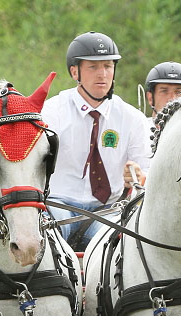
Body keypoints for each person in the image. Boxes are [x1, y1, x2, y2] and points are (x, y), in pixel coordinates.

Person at [41, 32, 151, 249]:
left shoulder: (133, 118)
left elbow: (147, 171)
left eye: (108, 66)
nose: (102, 74)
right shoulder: (51, 111)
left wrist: (139, 175)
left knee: (120, 249)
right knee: (45, 244)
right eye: (93, 67)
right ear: (75, 72)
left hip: (108, 209)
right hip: (57, 203)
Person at [121, 61, 181, 192]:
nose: (172, 98)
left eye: (179, 92)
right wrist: (135, 175)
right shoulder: (136, 129)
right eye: (164, 91)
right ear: (150, 98)